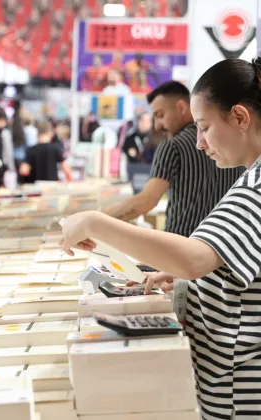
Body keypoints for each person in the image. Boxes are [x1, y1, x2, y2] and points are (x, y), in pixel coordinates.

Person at [61, 57, 261, 420]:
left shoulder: (256, 186)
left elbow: (195, 258)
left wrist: (94, 222)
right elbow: (226, 263)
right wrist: (191, 281)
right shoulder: (250, 178)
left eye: (204, 127)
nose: (199, 143)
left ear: (239, 118)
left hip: (238, 388)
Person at [103, 81, 244, 236]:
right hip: (223, 244)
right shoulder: (232, 145)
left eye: (160, 115)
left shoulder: (173, 146)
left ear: (181, 107)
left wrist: (97, 219)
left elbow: (146, 201)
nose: (157, 126)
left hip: (181, 243)